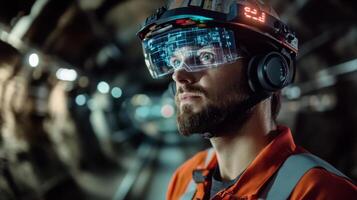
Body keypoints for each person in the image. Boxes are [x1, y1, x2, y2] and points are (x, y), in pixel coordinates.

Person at [137, 0, 357, 199]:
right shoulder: (184, 179)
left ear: (266, 71)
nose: (178, 75)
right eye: (175, 61)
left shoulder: (320, 191)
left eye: (206, 56)